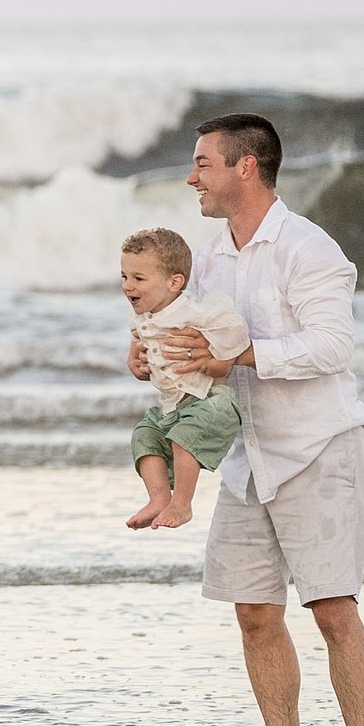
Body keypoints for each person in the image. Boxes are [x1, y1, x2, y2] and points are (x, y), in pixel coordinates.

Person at [139, 113, 364, 726]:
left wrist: (241, 355)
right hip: (249, 457)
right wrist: (155, 357)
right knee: (253, 614)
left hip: (320, 448)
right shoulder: (208, 258)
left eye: (203, 164)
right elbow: (197, 340)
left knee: (333, 611)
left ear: (246, 167)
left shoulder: (309, 249)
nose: (192, 178)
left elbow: (333, 346)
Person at [119, 227, 248, 530]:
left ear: (174, 282)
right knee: (143, 436)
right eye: (124, 276)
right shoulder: (142, 317)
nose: (128, 286)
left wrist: (219, 363)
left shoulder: (194, 313)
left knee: (182, 437)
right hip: (172, 407)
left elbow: (232, 334)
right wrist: (135, 360)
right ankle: (159, 497)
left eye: (139, 278)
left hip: (210, 401)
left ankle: (183, 504)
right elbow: (139, 340)